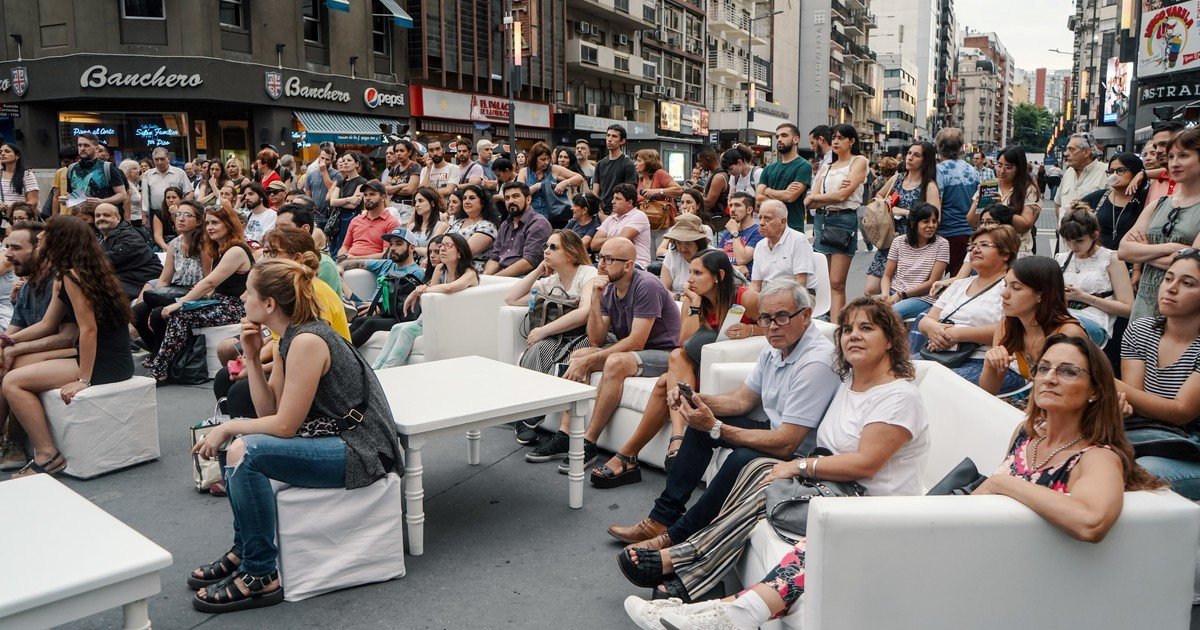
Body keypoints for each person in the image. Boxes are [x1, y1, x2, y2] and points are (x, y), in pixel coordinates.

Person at [640, 333, 1162, 628]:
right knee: (824, 535)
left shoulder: (1097, 457)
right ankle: (728, 610)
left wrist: (1004, 486)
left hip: (992, 558)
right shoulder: (1030, 435)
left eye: (1068, 372)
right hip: (969, 533)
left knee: (841, 531)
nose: (1048, 377)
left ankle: (725, 610)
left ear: (1097, 390)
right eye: (1044, 367)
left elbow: (1091, 521)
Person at [619, 297, 927, 604]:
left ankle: (679, 561)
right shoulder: (850, 380)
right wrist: (699, 401)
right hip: (833, 482)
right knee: (757, 470)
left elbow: (863, 464)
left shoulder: (896, 397)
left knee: (758, 475)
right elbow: (742, 400)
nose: (854, 335)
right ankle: (678, 547)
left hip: (865, 503)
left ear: (890, 339)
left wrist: (798, 466)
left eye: (866, 328)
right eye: (847, 329)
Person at [187, 257, 402, 613]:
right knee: (238, 446)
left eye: (249, 292)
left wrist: (227, 426)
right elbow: (268, 412)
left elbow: (285, 425)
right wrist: (252, 358)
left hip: (362, 449)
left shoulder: (306, 341)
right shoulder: (289, 338)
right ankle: (246, 550)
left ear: (269, 304)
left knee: (245, 450)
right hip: (336, 438)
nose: (242, 297)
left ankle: (260, 573)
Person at [606, 278, 839, 549]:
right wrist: (695, 398)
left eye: (782, 317)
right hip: (777, 431)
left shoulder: (816, 362)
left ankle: (678, 537)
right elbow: (741, 400)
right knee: (700, 429)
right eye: (765, 318)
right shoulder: (776, 348)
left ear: (806, 315)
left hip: (801, 452)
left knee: (740, 457)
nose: (772, 326)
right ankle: (661, 519)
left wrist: (717, 427)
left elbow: (788, 442)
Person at [593, 251, 760, 487]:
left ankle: (638, 453)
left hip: (729, 373)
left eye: (698, 273)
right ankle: (656, 447)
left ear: (719, 276)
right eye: (690, 272)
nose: (689, 279)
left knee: (665, 381)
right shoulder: (694, 299)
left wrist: (751, 331)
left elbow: (777, 330)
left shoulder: (746, 297)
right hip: (696, 368)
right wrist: (695, 305)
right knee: (675, 363)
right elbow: (685, 342)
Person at [525, 237, 681, 469]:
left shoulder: (646, 285)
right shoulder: (608, 288)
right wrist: (595, 299)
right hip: (638, 351)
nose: (602, 264)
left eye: (609, 259)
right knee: (579, 355)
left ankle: (589, 442)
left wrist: (592, 359)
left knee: (614, 362)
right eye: (600, 258)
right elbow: (596, 339)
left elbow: (637, 341)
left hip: (665, 353)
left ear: (628, 265)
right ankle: (565, 434)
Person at [5, 215, 134, 478]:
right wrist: (7, 341)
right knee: (11, 364)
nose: (41, 237)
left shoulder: (72, 276)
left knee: (12, 382)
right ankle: (12, 442)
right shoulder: (73, 273)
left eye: (47, 233)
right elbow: (48, 324)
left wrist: (83, 380)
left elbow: (88, 330)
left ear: (60, 240)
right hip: (93, 355)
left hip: (105, 362)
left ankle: (47, 455)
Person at [1116, 250, 1200, 498]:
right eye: (1169, 278)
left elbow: (1181, 412)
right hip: (1151, 438)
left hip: (1192, 451)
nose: (1171, 288)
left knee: (1141, 472)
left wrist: (1106, 382)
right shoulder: (1141, 330)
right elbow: (1136, 401)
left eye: (1187, 283)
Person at [506, 230, 603, 444]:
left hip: (585, 334)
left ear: (571, 253)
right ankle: (527, 414)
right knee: (537, 349)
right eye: (545, 247)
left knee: (562, 354)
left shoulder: (587, 273)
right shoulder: (551, 281)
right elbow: (511, 299)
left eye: (553, 247)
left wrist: (544, 330)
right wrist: (538, 270)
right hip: (559, 336)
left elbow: (584, 312)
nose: (547, 251)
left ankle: (537, 416)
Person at [143, 205, 252, 380]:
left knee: (180, 314)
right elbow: (214, 286)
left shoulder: (236, 250)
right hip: (219, 302)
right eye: (208, 223)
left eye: (215, 223)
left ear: (229, 224)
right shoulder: (220, 249)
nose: (209, 227)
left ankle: (160, 368)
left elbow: (210, 282)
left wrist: (181, 302)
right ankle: (164, 360)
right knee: (160, 312)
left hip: (235, 307)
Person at [0, 221, 74, 472]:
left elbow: (68, 337)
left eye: (16, 248)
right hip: (52, 353)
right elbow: (13, 333)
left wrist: (12, 347)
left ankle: (17, 442)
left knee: (11, 371)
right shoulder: (27, 287)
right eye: (6, 246)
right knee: (3, 360)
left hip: (76, 356)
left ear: (39, 250)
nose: (8, 254)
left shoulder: (63, 280)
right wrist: (4, 344)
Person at [917, 225, 1018, 386]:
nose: (975, 250)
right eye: (972, 246)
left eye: (984, 245)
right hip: (941, 353)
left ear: (1005, 254)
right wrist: (934, 329)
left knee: (934, 385)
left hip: (987, 361)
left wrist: (955, 334)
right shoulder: (959, 284)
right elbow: (927, 320)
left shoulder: (1012, 287)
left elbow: (1012, 329)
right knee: (894, 373)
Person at [978, 256, 1088, 400]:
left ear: (1041, 294)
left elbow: (1078, 392)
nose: (1004, 293)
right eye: (1005, 285)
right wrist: (989, 365)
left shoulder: (1068, 333)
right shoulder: (1007, 326)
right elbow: (988, 393)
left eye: (1016, 287)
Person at [1121, 127, 1200, 320]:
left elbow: (1192, 266)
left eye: (1183, 155)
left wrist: (1143, 253)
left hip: (1183, 312)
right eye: (1171, 156)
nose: (1174, 163)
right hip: (1143, 308)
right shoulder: (1158, 204)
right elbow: (1124, 251)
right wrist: (1172, 248)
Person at [372, 232, 480, 368]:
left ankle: (388, 369)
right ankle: (375, 368)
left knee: (407, 331)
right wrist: (422, 291)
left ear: (460, 253)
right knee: (396, 328)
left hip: (454, 321)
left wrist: (419, 291)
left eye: (448, 245)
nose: (442, 249)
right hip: (433, 317)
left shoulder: (469, 273)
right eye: (441, 246)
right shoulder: (440, 269)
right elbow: (428, 300)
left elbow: (449, 288)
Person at [806, 123, 868, 322]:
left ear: (852, 141)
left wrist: (817, 198)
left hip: (843, 219)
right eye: (834, 137)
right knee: (823, 280)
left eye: (841, 138)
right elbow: (813, 197)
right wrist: (819, 198)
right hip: (822, 219)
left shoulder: (858, 161)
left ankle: (837, 327)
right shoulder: (827, 166)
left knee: (836, 282)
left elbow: (843, 196)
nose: (836, 141)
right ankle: (828, 323)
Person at [867, 141, 941, 297]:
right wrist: (886, 204)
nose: (910, 157)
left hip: (912, 244)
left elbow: (935, 218)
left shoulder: (929, 186)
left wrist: (906, 212)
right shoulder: (897, 178)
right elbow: (879, 195)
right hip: (889, 238)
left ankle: (890, 311)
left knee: (899, 292)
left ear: (925, 160)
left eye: (916, 155)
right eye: (909, 153)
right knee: (871, 289)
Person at [1054, 207, 1134, 347]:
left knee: (1067, 331)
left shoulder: (1111, 259)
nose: (1072, 246)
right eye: (1067, 241)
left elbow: (1128, 309)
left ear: (1094, 235)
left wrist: (1084, 297)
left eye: (1079, 240)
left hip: (1093, 320)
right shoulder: (1061, 259)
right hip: (1062, 316)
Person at [132, 201, 204, 354]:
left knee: (158, 315)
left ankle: (163, 356)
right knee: (136, 313)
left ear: (198, 221)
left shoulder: (204, 244)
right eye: (178, 214)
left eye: (187, 215)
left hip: (194, 292)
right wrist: (155, 299)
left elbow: (208, 278)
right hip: (175, 290)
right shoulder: (174, 243)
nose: (181, 219)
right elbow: (164, 279)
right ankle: (156, 350)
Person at [345, 228, 424, 347]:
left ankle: (341, 351)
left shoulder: (416, 272)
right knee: (358, 320)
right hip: (380, 309)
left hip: (399, 316)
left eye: (398, 244)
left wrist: (379, 307)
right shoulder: (387, 264)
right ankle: (334, 348)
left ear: (411, 248)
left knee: (370, 324)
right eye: (391, 244)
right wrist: (340, 267)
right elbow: (358, 262)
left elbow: (405, 305)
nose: (393, 248)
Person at [881, 203, 950, 320]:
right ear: (913, 223)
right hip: (894, 292)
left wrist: (901, 295)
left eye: (934, 221)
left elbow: (932, 282)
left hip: (923, 297)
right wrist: (885, 295)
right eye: (926, 221)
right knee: (864, 309)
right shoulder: (898, 241)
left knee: (888, 314)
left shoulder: (942, 244)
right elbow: (887, 276)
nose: (931, 225)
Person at [971, 146, 1042, 255]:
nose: (1002, 171)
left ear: (1019, 168)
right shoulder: (988, 186)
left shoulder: (1029, 190)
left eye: (1008, 167)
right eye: (999, 165)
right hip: (988, 251)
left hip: (1016, 252)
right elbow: (971, 222)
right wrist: (978, 205)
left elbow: (1025, 225)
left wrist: (1002, 209)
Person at [933, 128, 980, 275]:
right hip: (968, 233)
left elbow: (935, 207)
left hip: (945, 233)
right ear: (960, 147)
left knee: (933, 281)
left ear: (939, 147)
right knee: (959, 280)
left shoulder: (938, 171)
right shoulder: (972, 170)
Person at [94, 202, 163, 300]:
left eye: (106, 215)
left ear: (118, 218)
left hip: (142, 277)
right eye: (98, 216)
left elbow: (115, 257)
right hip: (125, 276)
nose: (101, 218)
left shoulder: (129, 234)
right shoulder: (100, 237)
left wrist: (86, 259)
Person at [1081, 152, 1148, 250]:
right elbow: (1073, 213)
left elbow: (1165, 173)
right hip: (1099, 257)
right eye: (1111, 171)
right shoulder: (1098, 197)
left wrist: (1143, 174)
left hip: (1130, 256)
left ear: (1135, 172)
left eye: (1121, 170)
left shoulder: (1144, 198)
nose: (1114, 175)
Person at [484, 182, 553, 277]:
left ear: (528, 199)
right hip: (501, 276)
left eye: (515, 196)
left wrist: (495, 278)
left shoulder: (538, 223)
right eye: (507, 198)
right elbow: (494, 258)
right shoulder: (504, 225)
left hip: (526, 278)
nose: (510, 201)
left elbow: (529, 262)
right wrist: (486, 277)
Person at [750, 200, 817, 295]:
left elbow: (801, 283)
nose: (761, 223)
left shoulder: (798, 240)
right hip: (769, 295)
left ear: (783, 222)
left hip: (798, 295)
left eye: (767, 218)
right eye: (760, 217)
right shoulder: (760, 245)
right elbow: (755, 284)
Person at [758, 124, 814, 233]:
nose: (779, 139)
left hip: (793, 227)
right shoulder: (768, 168)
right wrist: (783, 194)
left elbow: (790, 197)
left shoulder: (803, 166)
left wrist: (767, 191)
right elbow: (758, 198)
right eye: (777, 136)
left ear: (795, 139)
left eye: (784, 135)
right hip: (769, 227)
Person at [275, 204, 339, 294]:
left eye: (284, 227)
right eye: (276, 227)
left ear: (305, 229)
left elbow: (321, 301)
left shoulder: (323, 264)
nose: (277, 232)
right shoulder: (274, 257)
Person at [520, 141, 584, 228]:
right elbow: (520, 194)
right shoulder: (524, 172)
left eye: (548, 159)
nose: (546, 162)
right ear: (534, 158)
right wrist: (538, 186)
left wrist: (565, 183)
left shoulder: (554, 169)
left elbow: (579, 178)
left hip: (556, 218)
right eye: (542, 159)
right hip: (532, 219)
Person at [1056, 134, 1107, 237]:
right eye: (1067, 149)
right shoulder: (1068, 172)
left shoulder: (1106, 172)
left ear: (1086, 152)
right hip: (1065, 239)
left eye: (1071, 150)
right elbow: (1058, 203)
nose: (1066, 154)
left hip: (1091, 240)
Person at [593, 183, 653, 269]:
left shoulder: (639, 216)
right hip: (610, 263)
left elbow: (620, 243)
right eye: (613, 198)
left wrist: (611, 238)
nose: (613, 201)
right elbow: (594, 244)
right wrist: (616, 238)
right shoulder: (611, 218)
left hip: (634, 264)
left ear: (629, 202)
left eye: (618, 199)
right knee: (586, 270)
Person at [336, 180, 400, 261]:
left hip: (373, 265)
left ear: (383, 197)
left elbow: (387, 254)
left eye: (372, 194)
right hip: (348, 262)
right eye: (365, 195)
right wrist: (341, 258)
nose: (367, 198)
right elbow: (345, 247)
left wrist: (356, 259)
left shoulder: (391, 223)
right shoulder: (356, 220)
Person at [64, 133, 127, 212]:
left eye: (86, 145)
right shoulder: (72, 168)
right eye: (79, 145)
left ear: (97, 149)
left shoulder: (107, 167)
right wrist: (67, 200)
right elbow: (72, 194)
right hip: (79, 217)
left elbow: (122, 195)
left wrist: (102, 202)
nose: (82, 148)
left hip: (103, 215)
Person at [448, 183, 501, 272]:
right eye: (464, 198)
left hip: (470, 270)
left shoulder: (487, 226)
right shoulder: (458, 222)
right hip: (448, 265)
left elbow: (464, 252)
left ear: (482, 203)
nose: (467, 201)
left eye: (472, 198)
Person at [659, 213, 714, 297]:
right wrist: (678, 298)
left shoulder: (711, 255)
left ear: (699, 243)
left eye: (688, 244)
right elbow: (663, 288)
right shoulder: (673, 253)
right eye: (678, 243)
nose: (682, 249)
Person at [593, 124, 639, 216]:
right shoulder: (600, 164)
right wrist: (599, 212)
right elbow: (595, 192)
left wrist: (613, 215)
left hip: (620, 213)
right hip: (601, 212)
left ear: (622, 141)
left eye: (614, 136)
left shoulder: (628, 163)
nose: (609, 139)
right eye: (608, 135)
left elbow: (628, 194)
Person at [326, 153, 368, 255]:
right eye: (344, 160)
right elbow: (332, 201)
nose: (345, 163)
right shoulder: (341, 181)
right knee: (335, 247)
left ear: (357, 164)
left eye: (349, 160)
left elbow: (354, 205)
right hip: (337, 218)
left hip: (352, 217)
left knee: (347, 246)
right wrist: (349, 199)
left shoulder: (362, 181)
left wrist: (339, 202)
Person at [716, 191, 764, 278]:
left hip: (746, 281)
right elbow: (717, 261)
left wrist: (735, 234)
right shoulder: (728, 232)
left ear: (749, 210)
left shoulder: (758, 232)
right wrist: (734, 268)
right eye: (731, 205)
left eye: (737, 205)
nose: (732, 209)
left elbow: (741, 259)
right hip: (727, 279)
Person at [656, 189, 713, 259]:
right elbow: (660, 251)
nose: (684, 206)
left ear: (698, 205)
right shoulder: (675, 227)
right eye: (682, 202)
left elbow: (698, 251)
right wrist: (673, 255)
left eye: (688, 202)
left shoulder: (705, 229)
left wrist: (688, 219)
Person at [636, 148, 682, 224]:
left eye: (639, 161)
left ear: (648, 163)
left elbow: (679, 190)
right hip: (647, 224)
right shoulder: (640, 180)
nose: (635, 163)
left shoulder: (659, 174)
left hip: (664, 223)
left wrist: (658, 191)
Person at [407, 187, 449, 264]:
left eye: (420, 201)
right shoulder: (412, 226)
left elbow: (430, 250)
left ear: (432, 203)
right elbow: (403, 246)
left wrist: (411, 249)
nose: (417, 205)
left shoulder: (441, 226)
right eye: (415, 202)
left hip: (427, 264)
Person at [0, 143, 39, 219]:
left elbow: (33, 201)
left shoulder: (27, 174)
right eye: (0, 152)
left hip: (19, 218)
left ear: (17, 156)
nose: (3, 154)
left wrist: (13, 207)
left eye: (7, 151)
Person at [302, 143, 340, 219]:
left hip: (330, 215)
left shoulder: (337, 174)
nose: (324, 161)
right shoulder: (311, 174)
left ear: (331, 160)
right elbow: (308, 194)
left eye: (327, 159)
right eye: (322, 158)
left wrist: (324, 172)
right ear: (318, 156)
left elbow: (332, 190)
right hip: (315, 214)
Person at [698, 147, 730, 230]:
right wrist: (700, 188)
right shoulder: (713, 174)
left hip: (718, 224)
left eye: (700, 161)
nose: (700, 165)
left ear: (708, 159)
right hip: (714, 223)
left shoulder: (719, 177)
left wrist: (693, 196)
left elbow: (709, 203)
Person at [149, 186, 185, 252]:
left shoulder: (185, 213)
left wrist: (175, 215)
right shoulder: (159, 214)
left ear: (180, 199)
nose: (171, 200)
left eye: (174, 197)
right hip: (165, 243)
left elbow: (181, 234)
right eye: (168, 198)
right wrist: (166, 247)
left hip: (182, 242)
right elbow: (158, 236)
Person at [241, 182, 277, 247]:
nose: (246, 198)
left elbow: (263, 239)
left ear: (261, 197)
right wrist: (238, 204)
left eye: (251, 194)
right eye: (245, 195)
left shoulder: (272, 215)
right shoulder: (247, 214)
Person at [118, 159, 146, 226]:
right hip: (132, 221)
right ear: (126, 170)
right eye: (134, 169)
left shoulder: (132, 184)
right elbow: (126, 203)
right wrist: (128, 221)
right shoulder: (126, 185)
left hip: (138, 219)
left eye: (138, 168)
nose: (138, 171)